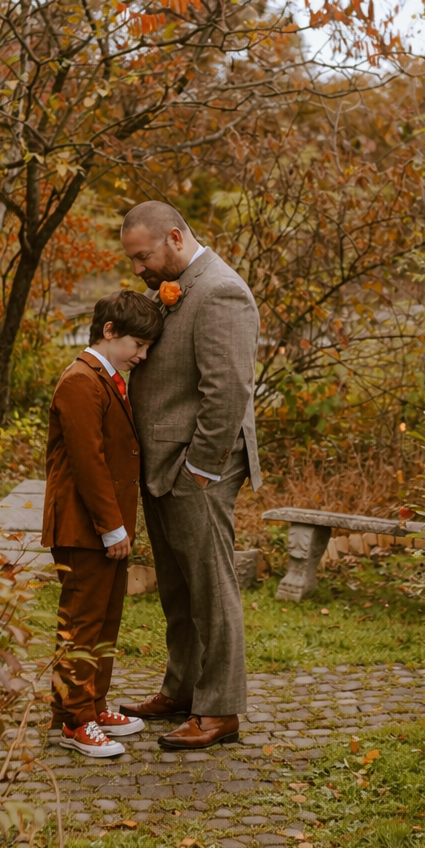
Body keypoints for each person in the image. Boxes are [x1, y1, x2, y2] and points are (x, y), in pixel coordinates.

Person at [117, 201, 262, 750]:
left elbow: (226, 392)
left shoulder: (221, 290)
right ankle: (182, 689)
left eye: (143, 256)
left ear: (175, 238)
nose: (139, 269)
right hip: (163, 464)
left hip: (198, 467)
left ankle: (220, 710)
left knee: (210, 587)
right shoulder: (176, 287)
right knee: (177, 588)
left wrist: (200, 470)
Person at [42, 291, 165, 757]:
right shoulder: (80, 380)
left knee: (104, 620)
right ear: (109, 332)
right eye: (138, 344)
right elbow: (88, 462)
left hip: (102, 525)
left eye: (148, 348)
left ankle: (88, 706)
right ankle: (76, 723)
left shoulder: (105, 377)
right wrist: (112, 528)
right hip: (83, 526)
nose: (143, 355)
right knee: (82, 623)